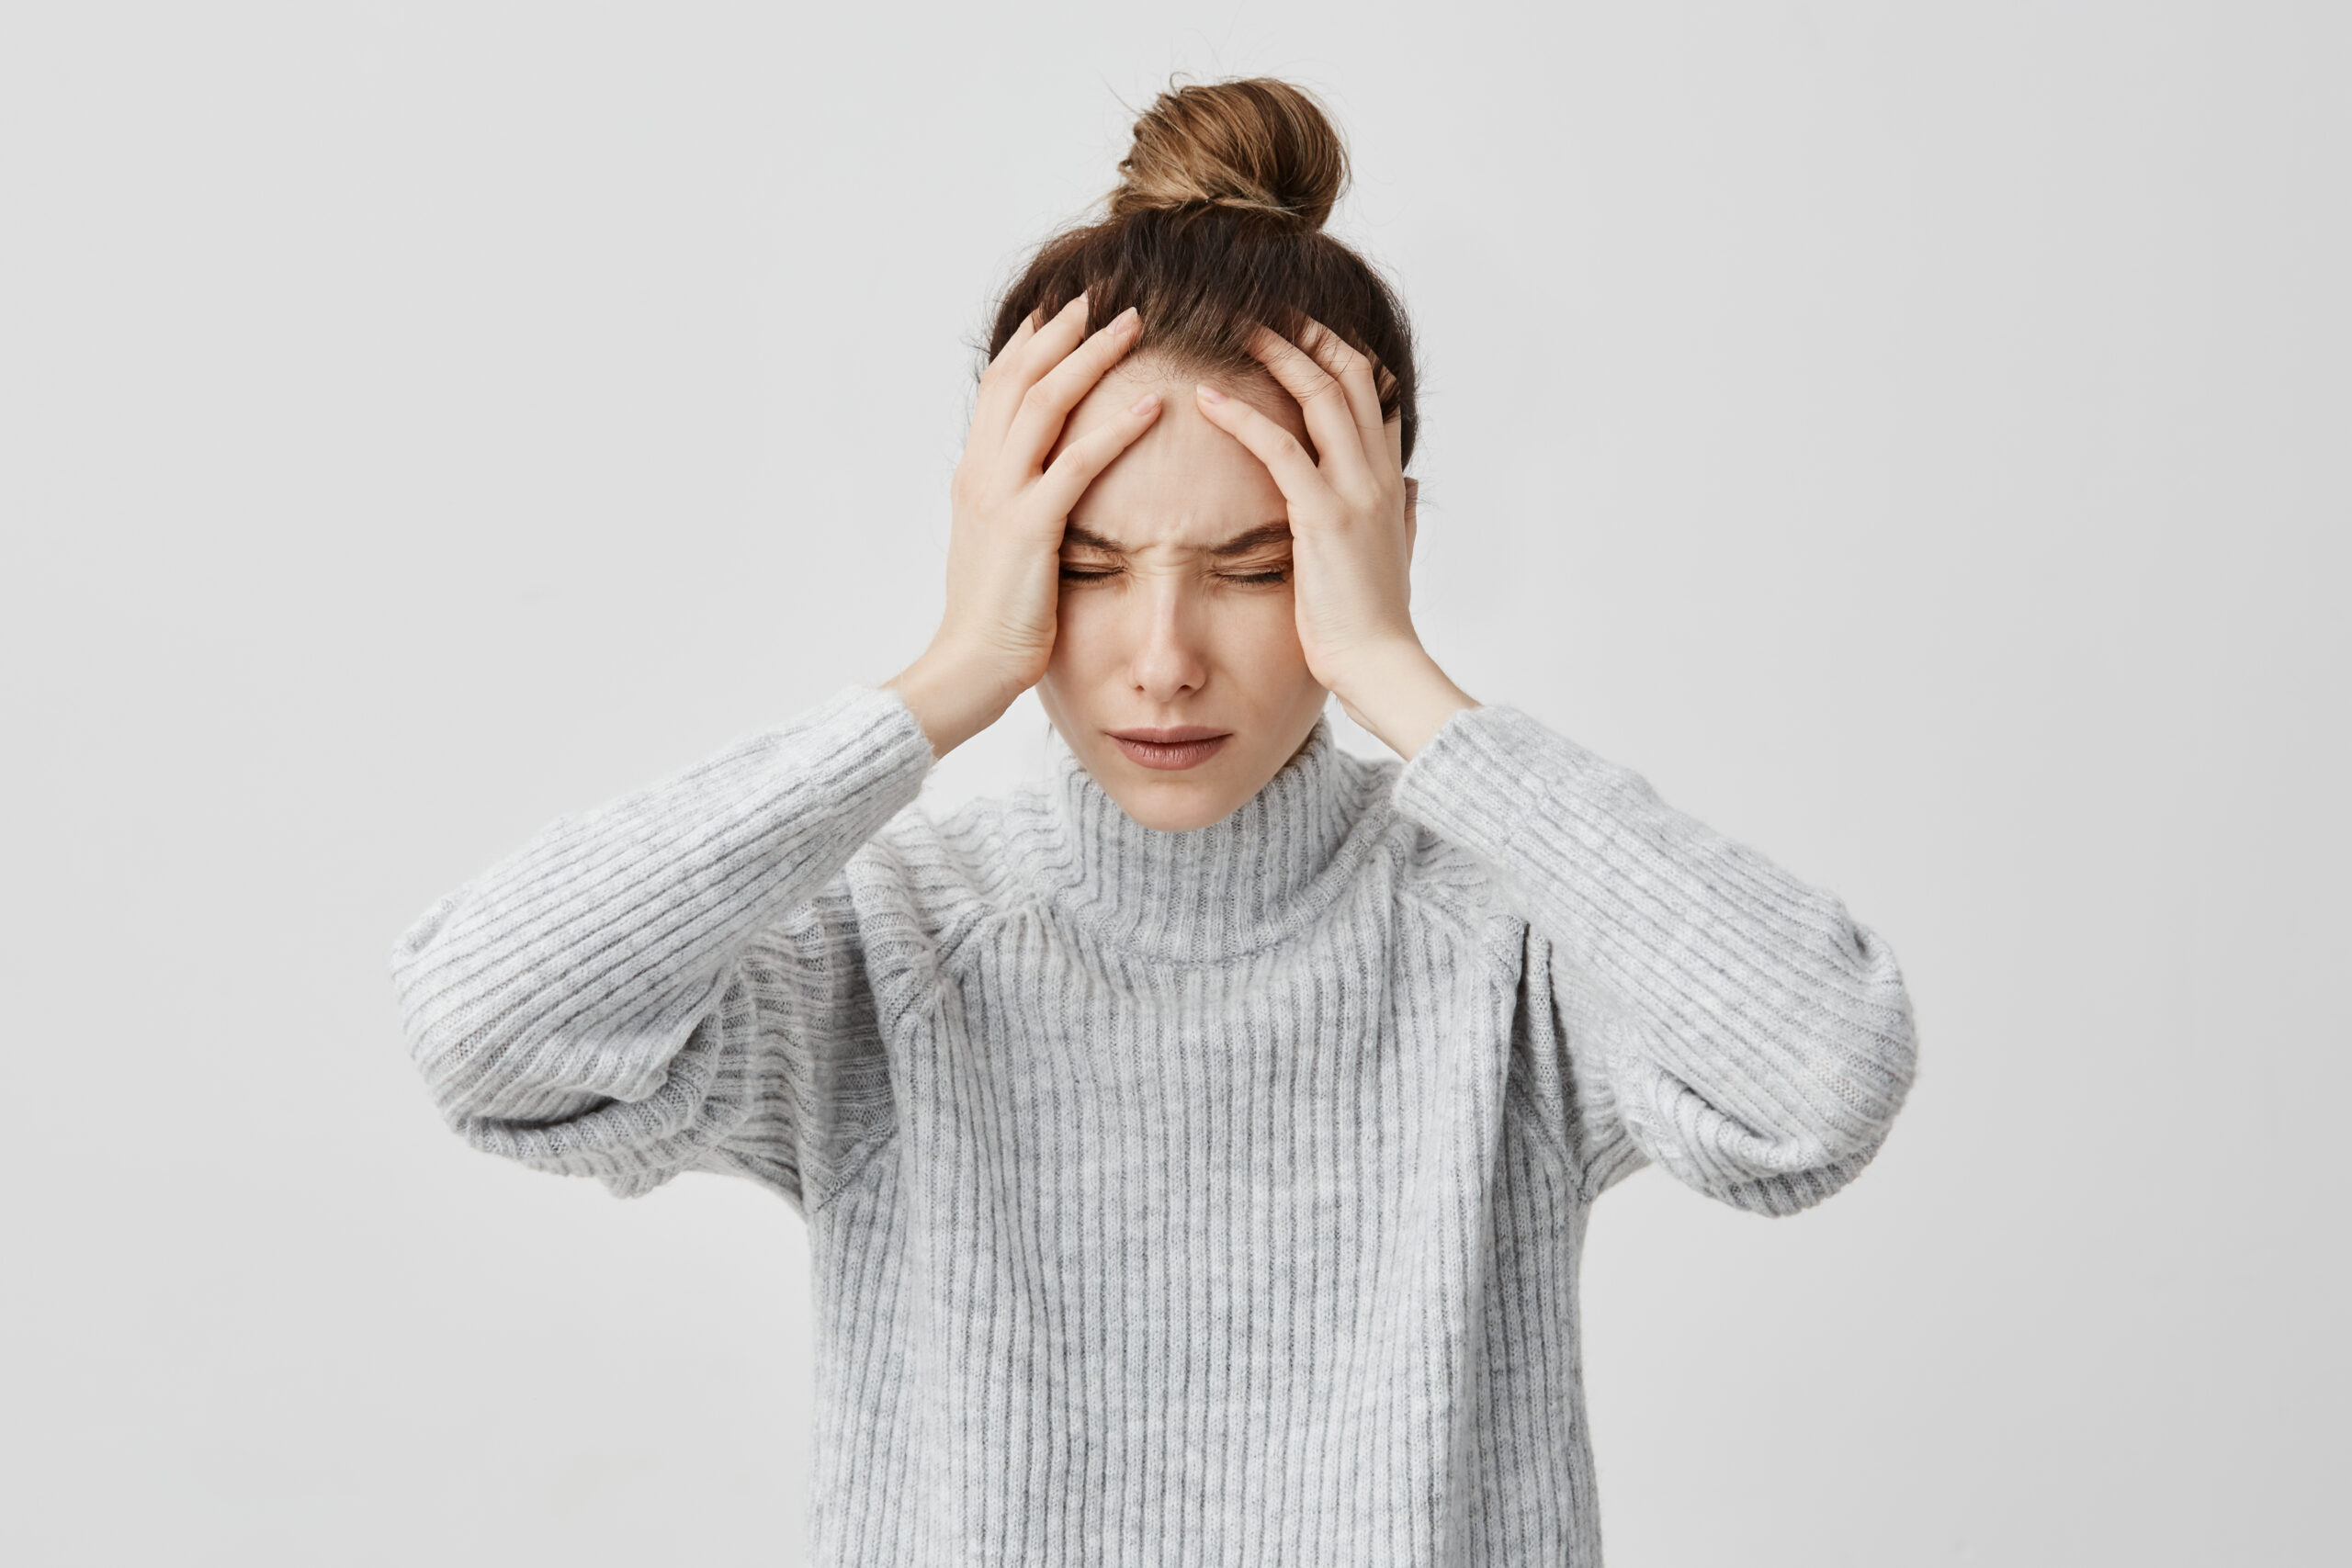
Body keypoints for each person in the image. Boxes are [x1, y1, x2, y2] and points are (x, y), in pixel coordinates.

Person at [389, 76, 1918, 1567]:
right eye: (1089, 566)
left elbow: (1822, 1075)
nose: (1166, 656)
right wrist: (939, 681)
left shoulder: (1503, 940)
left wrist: (1398, 677)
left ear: (1367, 551)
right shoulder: (900, 944)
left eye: (1256, 571)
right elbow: (485, 1027)